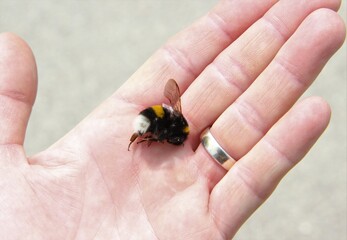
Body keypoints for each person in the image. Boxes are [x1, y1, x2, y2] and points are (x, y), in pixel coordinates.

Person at [0, 0, 345, 239]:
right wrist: (150, 137)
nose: (175, 143)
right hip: (149, 122)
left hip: (150, 120)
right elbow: (161, 123)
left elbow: (165, 111)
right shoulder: (172, 127)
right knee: (150, 131)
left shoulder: (175, 120)